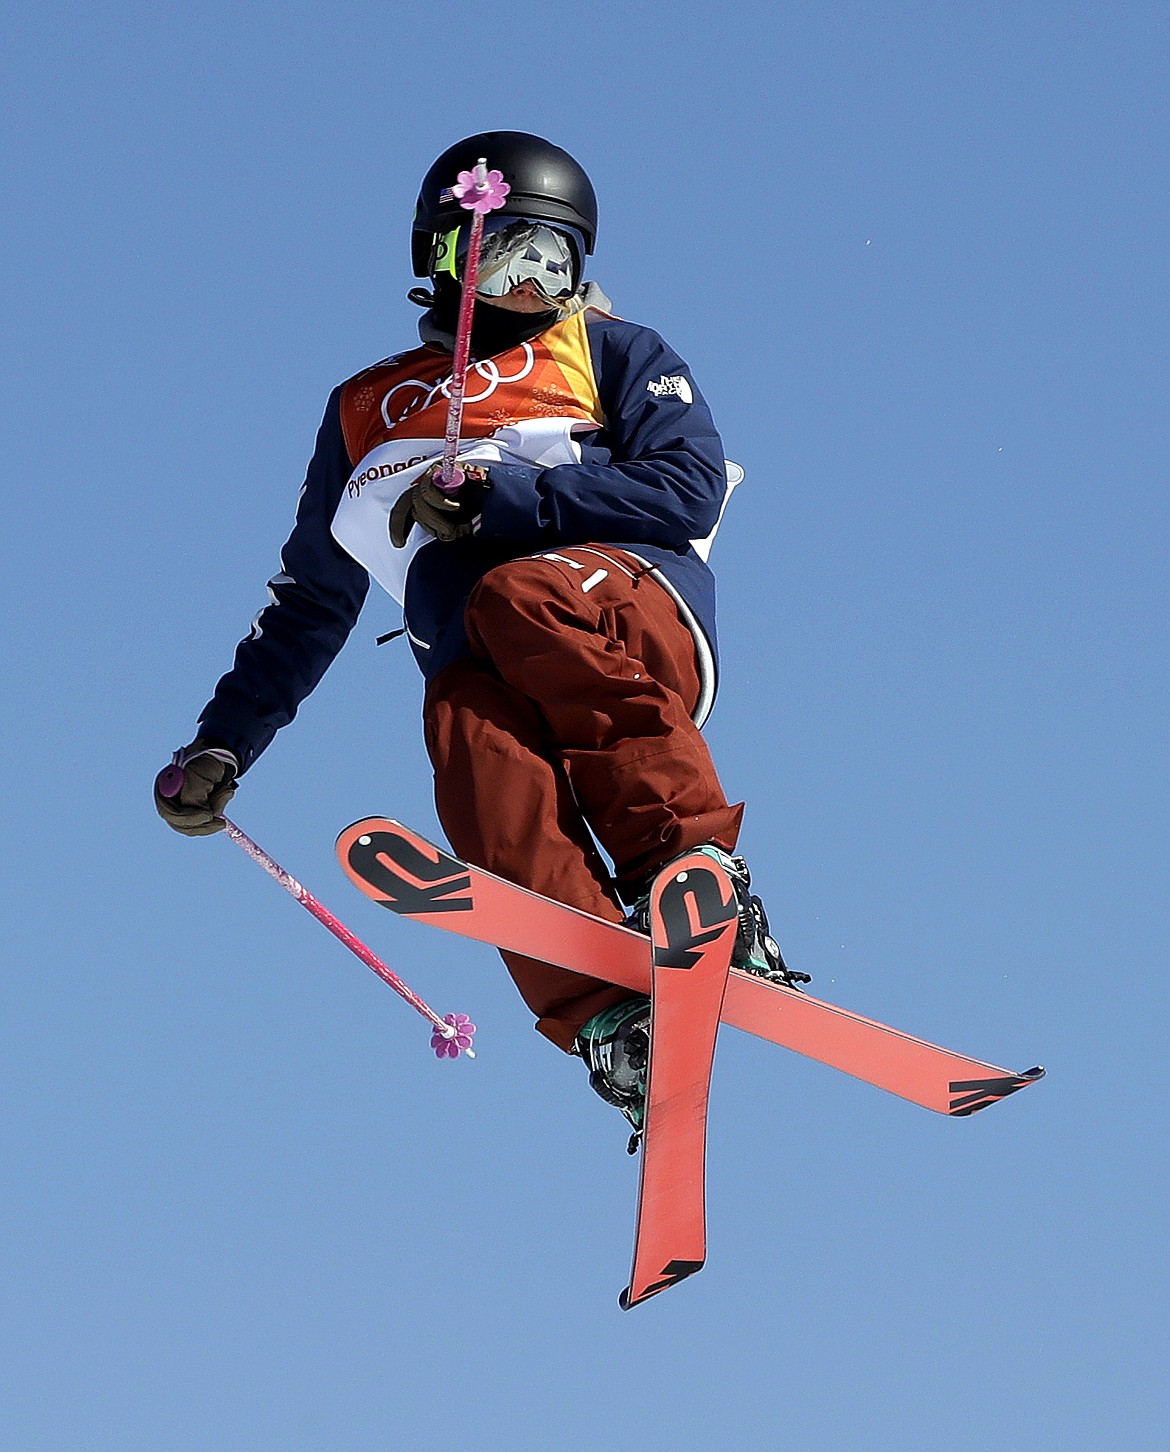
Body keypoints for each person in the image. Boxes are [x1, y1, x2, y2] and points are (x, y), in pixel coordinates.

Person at [155, 130, 803, 1144]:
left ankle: (689, 872)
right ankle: (611, 1013)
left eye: (560, 262)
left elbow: (685, 483)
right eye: (509, 255)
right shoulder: (366, 412)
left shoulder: (608, 350)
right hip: (487, 654)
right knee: (463, 741)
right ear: (444, 257)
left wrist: (508, 498)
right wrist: (224, 740)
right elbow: (312, 604)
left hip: (625, 614)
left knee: (514, 597)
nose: (535, 283)